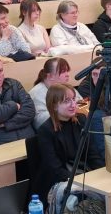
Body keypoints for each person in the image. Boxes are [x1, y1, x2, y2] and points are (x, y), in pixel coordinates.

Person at [37, 83, 104, 211]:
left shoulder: (81, 120)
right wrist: (81, 182)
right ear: (54, 105)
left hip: (85, 175)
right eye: (67, 101)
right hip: (62, 179)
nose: (73, 104)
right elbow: (55, 169)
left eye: (73, 99)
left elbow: (92, 154)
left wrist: (102, 173)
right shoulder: (45, 131)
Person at [29, 58, 83, 130]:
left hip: (73, 126)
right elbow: (40, 121)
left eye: (67, 71)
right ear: (50, 76)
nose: (67, 75)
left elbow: (83, 103)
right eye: (63, 71)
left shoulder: (66, 87)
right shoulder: (36, 93)